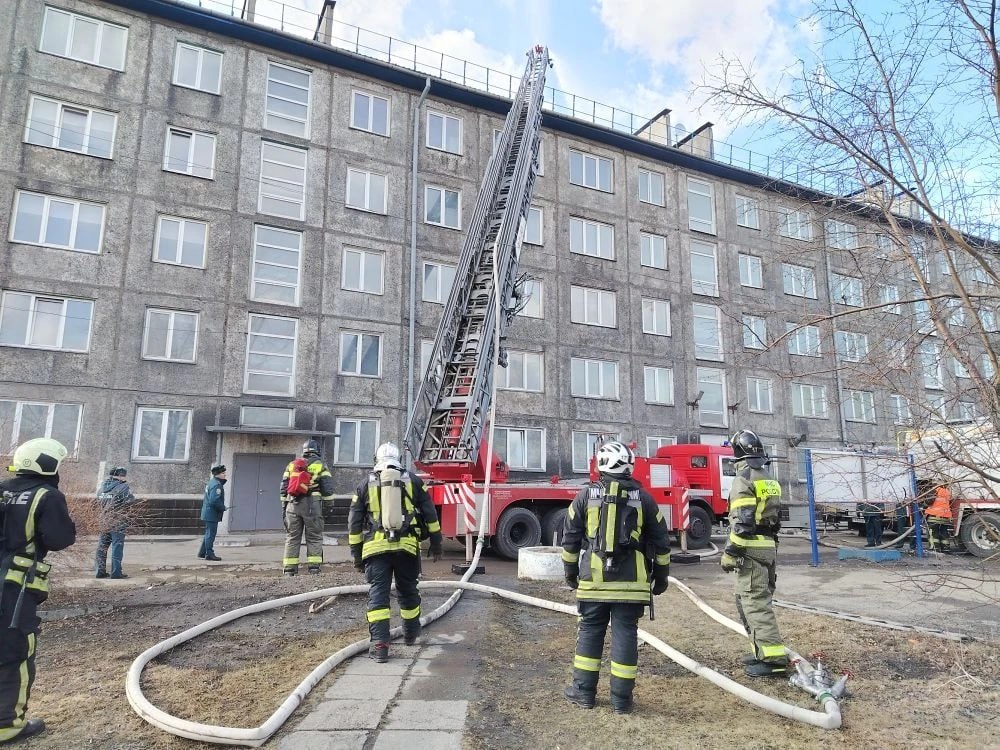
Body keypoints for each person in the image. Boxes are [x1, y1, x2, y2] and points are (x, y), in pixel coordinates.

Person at [561, 440, 671, 714]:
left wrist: (571, 573)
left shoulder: (585, 496)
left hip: (594, 581)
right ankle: (622, 701)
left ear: (600, 464)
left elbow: (570, 539)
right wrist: (661, 577)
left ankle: (584, 693)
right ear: (629, 466)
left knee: (590, 631)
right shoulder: (644, 499)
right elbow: (661, 541)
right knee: (625, 634)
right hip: (632, 584)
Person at [1, 438, 77, 744]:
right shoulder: (47, 495)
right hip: (14, 590)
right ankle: (7, 725)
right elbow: (60, 539)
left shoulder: (1, 489)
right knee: (15, 652)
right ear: (47, 464)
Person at [348, 442, 442, 662]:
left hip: (375, 549)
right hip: (407, 547)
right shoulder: (414, 481)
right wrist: (436, 544)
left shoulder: (365, 484)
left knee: (378, 594)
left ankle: (380, 646)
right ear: (399, 459)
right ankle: (411, 635)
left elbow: (353, 524)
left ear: (376, 459)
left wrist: (357, 556)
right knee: (408, 590)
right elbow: (430, 514)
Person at [720, 429, 787, 678]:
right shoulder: (768, 478)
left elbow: (743, 522)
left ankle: (774, 660)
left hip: (751, 548)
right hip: (768, 545)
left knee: (755, 602)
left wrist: (730, 552)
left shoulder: (744, 479)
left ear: (738, 456)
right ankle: (762, 652)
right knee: (747, 600)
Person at [280, 440, 335, 575]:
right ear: (317, 451)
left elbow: (284, 488)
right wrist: (328, 508)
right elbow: (327, 490)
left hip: (292, 504)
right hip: (312, 505)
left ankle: (289, 569)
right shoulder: (320, 465)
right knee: (314, 536)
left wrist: (284, 506)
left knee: (292, 536)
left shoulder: (292, 465)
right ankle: (314, 568)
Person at [95, 466, 137, 579]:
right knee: (117, 546)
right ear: (120, 476)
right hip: (118, 520)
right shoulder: (123, 487)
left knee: (102, 546)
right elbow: (130, 501)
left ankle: (99, 571)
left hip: (104, 520)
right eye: (123, 475)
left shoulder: (102, 487)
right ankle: (116, 573)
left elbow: (98, 501)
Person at [198, 465, 227, 562]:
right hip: (212, 514)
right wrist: (222, 507)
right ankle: (209, 554)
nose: (225, 474)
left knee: (208, 533)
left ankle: (202, 553)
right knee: (211, 534)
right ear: (218, 474)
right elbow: (214, 501)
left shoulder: (212, 482)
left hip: (208, 512)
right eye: (223, 473)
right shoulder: (217, 485)